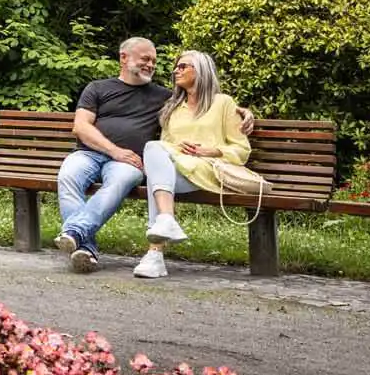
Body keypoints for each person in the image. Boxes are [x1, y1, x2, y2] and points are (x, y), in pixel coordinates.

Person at [56, 38, 254, 274]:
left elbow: (208, 103)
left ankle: (79, 234)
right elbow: (81, 126)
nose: (152, 65)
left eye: (154, 61)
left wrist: (243, 111)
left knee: (131, 178)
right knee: (68, 176)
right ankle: (85, 246)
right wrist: (115, 151)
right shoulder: (101, 89)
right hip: (90, 154)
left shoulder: (166, 98)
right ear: (124, 58)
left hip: (135, 163)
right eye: (145, 59)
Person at [133, 50, 251, 281]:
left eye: (183, 66)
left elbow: (242, 150)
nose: (176, 70)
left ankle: (155, 252)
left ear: (201, 71)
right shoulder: (173, 107)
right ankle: (164, 226)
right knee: (156, 156)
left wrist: (213, 150)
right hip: (179, 172)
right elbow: (166, 146)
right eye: (176, 67)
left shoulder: (223, 103)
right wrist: (177, 145)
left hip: (208, 171)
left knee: (157, 179)